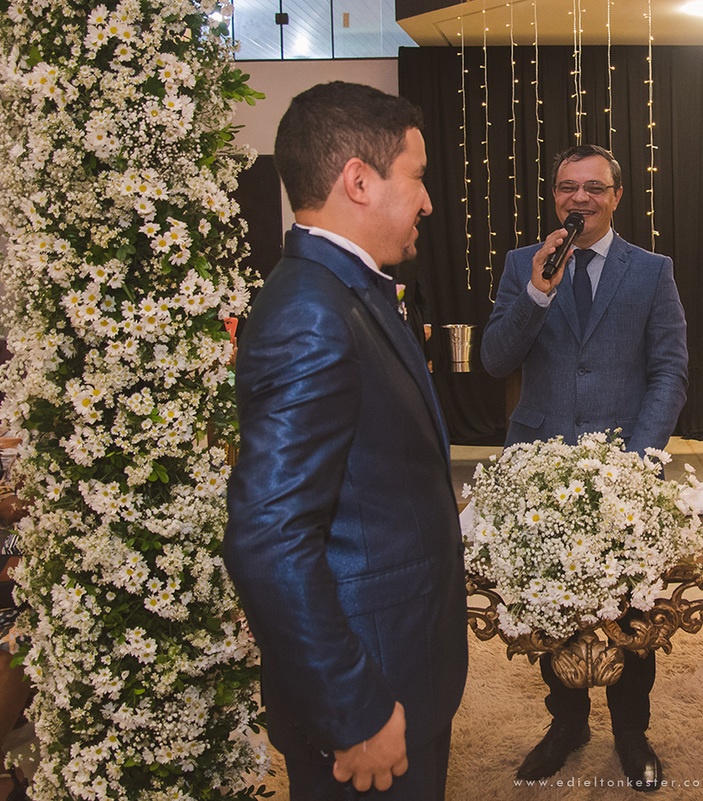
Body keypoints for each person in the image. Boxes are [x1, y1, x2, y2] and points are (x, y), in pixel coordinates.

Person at [224, 82, 467, 800]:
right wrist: (353, 708)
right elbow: (269, 537)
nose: (427, 202)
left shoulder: (347, 288)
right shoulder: (310, 312)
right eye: (417, 177)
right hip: (367, 687)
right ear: (358, 181)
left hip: (401, 657)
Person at [480, 144, 688, 792]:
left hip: (625, 470)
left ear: (617, 195)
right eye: (568, 187)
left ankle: (631, 731)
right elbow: (495, 358)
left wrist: (636, 464)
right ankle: (566, 723)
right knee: (549, 608)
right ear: (554, 197)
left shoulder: (652, 270)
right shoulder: (524, 264)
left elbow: (670, 371)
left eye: (594, 187)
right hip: (539, 470)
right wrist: (536, 294)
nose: (580, 198)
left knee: (631, 613)